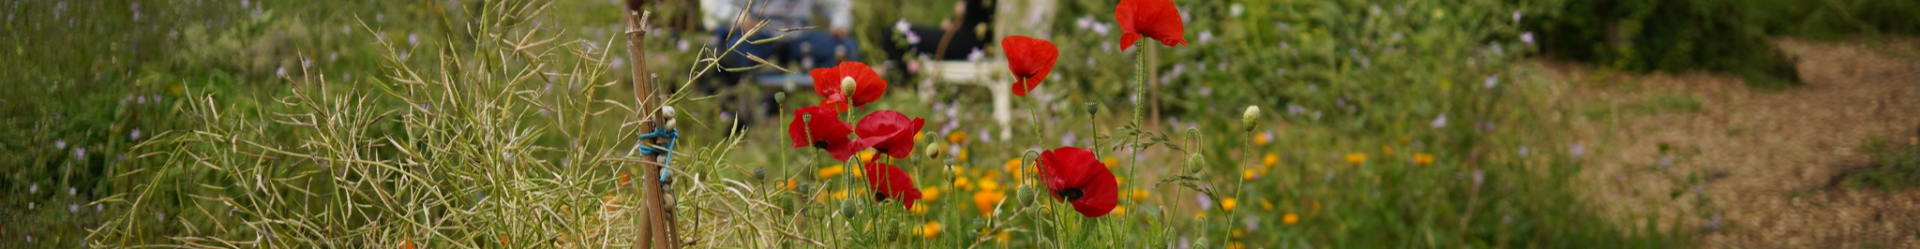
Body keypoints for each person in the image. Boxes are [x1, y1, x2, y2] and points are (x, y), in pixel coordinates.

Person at [704, 0, 860, 72]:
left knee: (845, 48)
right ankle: (738, 110)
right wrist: (739, 19)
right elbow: (717, 4)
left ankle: (829, 106)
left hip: (801, 38)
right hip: (760, 37)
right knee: (730, 53)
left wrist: (839, 23)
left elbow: (837, 4)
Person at [880, 0, 994, 79]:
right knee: (893, 33)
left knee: (890, 32)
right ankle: (903, 71)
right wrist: (953, 19)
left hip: (964, 45)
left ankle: (901, 77)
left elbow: (965, 10)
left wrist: (962, 7)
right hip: (968, 42)